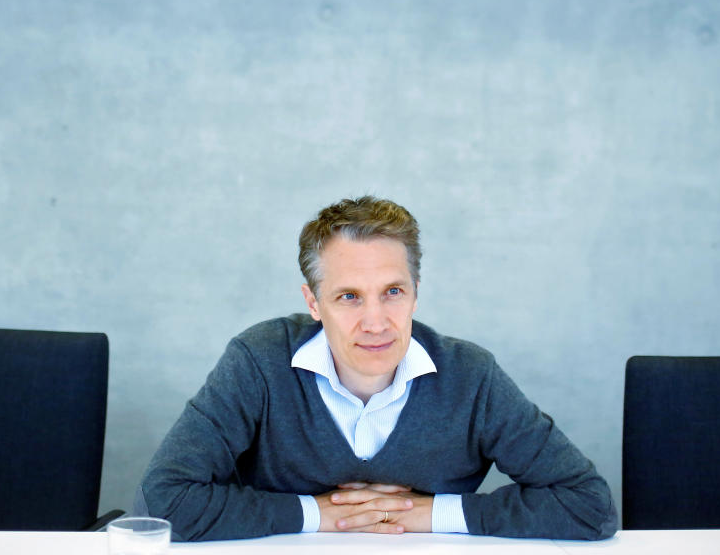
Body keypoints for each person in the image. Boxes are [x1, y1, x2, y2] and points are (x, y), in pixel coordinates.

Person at [140, 196, 617, 541]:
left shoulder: (470, 377)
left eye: (393, 291)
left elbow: (589, 507)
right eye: (349, 297)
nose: (376, 322)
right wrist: (319, 514)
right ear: (313, 302)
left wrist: (428, 514)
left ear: (415, 292)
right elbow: (164, 500)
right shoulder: (258, 361)